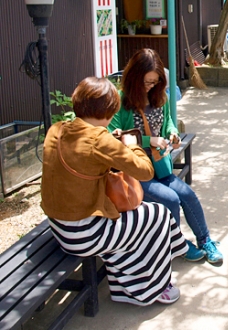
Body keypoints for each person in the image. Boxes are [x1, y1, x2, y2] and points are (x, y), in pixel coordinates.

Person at [41, 77, 187, 306]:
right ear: (109, 111)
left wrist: (111, 140)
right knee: (157, 215)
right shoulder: (99, 138)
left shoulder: (57, 129)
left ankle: (128, 287)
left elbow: (84, 157)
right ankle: (156, 287)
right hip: (83, 234)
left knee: (139, 219)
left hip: (58, 226)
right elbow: (146, 171)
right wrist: (131, 144)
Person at [108, 48, 223, 266]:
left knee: (187, 195)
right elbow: (113, 140)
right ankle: (176, 243)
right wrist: (148, 141)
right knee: (170, 199)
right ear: (134, 77)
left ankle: (205, 240)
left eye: (154, 82)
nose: (150, 86)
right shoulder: (120, 102)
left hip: (160, 165)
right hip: (136, 173)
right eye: (146, 82)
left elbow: (168, 120)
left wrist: (171, 132)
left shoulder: (159, 95)